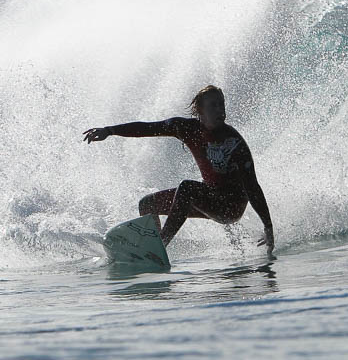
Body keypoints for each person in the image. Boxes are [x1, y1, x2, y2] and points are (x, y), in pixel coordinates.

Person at [83, 85, 274, 252]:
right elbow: (146, 128)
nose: (220, 110)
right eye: (213, 105)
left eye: (221, 104)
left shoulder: (234, 142)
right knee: (147, 205)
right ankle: (152, 249)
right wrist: (109, 131)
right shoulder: (184, 128)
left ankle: (162, 245)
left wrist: (268, 226)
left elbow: (252, 187)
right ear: (200, 110)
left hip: (230, 207)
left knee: (187, 188)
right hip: (207, 197)